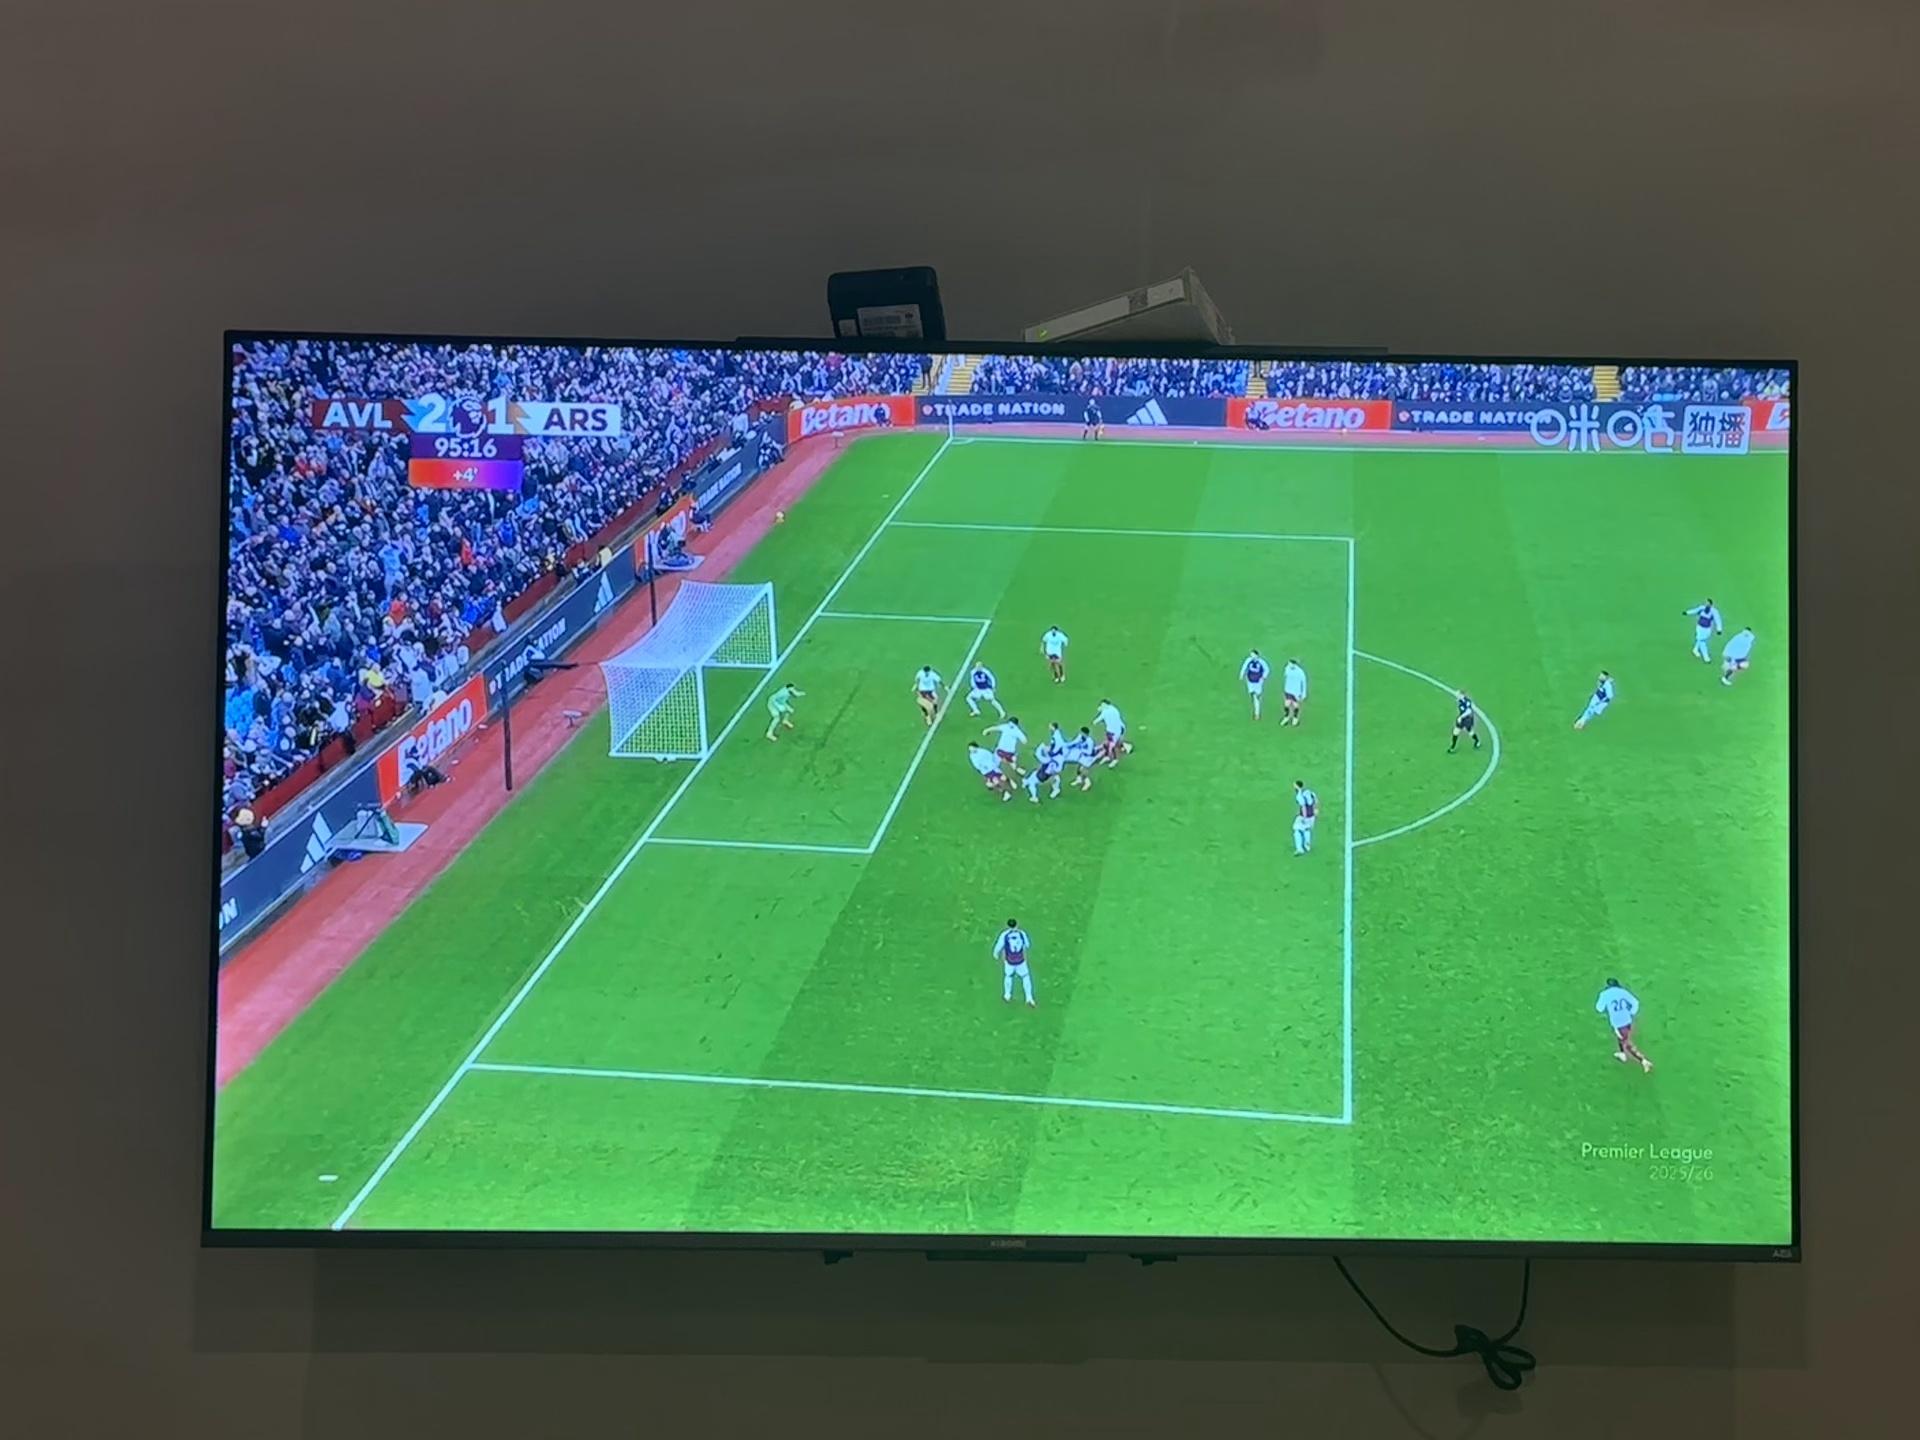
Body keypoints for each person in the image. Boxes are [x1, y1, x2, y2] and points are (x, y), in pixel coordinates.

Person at [1595, 977, 1653, 1072]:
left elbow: (1599, 1008)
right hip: (1627, 1020)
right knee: (1621, 1037)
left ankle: (1643, 1061)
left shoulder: (1604, 994)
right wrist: (1631, 1012)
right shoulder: (1623, 992)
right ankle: (1622, 1054)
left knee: (1626, 1042)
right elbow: (1635, 1002)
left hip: (1617, 1022)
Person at [994, 918, 1037, 1006]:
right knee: (1025, 977)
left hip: (1009, 961)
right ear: (1017, 925)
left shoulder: (1004, 934)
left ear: (1008, 926)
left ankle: (1007, 995)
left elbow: (999, 945)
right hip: (1020, 961)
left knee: (1008, 976)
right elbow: (1027, 945)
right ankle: (1029, 998)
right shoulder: (1022, 933)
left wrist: (995, 954)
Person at [1093, 698, 1131, 765]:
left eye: (1103, 705)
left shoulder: (1108, 711)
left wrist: (1095, 721)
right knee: (1109, 743)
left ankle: (1114, 759)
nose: (1102, 706)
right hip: (1111, 730)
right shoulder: (1112, 709)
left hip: (1116, 731)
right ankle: (1108, 755)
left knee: (1112, 745)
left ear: (1107, 705)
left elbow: (1100, 718)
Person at [1684, 598, 1723, 663]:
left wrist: (1719, 629)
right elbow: (1695, 611)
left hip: (1707, 629)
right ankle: (1706, 658)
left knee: (1701, 639)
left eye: (1708, 603)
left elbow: (1718, 620)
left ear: (1711, 604)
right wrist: (1687, 612)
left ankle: (1695, 650)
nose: (1706, 604)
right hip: (1699, 627)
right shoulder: (1702, 608)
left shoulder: (1714, 611)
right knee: (1702, 641)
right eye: (1706, 603)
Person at [1292, 779, 1318, 856]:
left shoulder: (1299, 795)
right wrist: (1315, 810)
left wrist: (1304, 817)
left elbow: (1303, 806)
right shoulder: (1309, 792)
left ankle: (1299, 849)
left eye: (1295, 786)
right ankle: (1307, 846)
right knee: (1307, 829)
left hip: (1304, 816)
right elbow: (1315, 801)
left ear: (1297, 786)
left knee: (1296, 830)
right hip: (1312, 816)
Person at [1241, 649, 1268, 720]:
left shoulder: (1261, 662)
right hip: (1250, 681)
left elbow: (1267, 669)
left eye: (1253, 655)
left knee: (1256, 697)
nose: (1252, 657)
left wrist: (1263, 677)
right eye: (1251, 655)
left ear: (1257, 655)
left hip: (1258, 681)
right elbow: (1244, 667)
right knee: (1253, 695)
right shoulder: (1248, 660)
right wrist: (1241, 675)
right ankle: (1256, 712)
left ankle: (1257, 713)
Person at [1282, 657, 1308, 727]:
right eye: (1289, 663)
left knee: (1295, 705)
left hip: (1296, 691)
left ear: (1294, 664)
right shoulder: (1287, 668)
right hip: (1288, 690)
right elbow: (1286, 675)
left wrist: (1303, 693)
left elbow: (1304, 683)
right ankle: (1286, 717)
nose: (1289, 665)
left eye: (1291, 664)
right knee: (1286, 704)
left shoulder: (1300, 672)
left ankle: (1295, 718)